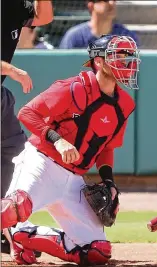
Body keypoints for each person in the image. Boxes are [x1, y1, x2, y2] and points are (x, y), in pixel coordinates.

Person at [1, 34, 140, 265]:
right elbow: (27, 113)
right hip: (42, 162)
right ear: (99, 61)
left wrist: (109, 183)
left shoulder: (124, 104)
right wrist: (58, 140)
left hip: (74, 178)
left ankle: (22, 235)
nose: (126, 63)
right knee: (12, 209)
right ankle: (16, 230)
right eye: (118, 57)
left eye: (128, 57)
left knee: (98, 251)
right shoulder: (74, 88)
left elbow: (107, 148)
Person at [1, 0, 53, 256]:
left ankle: (4, 224)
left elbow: (44, 17)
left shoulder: (12, 5)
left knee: (17, 156)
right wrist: (12, 70)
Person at [58, 0, 139, 49]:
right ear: (91, 6)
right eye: (105, 0)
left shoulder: (126, 37)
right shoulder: (74, 37)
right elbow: (63, 68)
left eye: (114, 0)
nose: (111, 3)